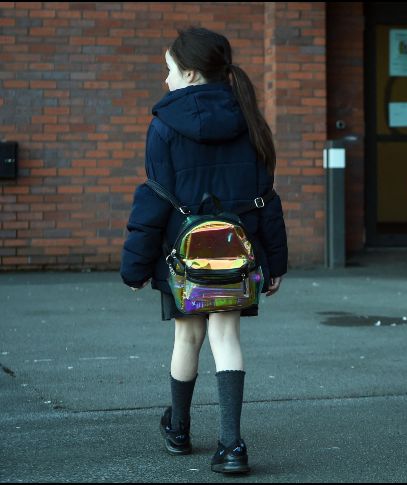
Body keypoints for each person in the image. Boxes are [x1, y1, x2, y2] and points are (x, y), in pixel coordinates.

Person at [120, 26, 288, 474]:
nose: (166, 79)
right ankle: (232, 446)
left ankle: (178, 428)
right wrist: (276, 262)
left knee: (187, 336)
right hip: (237, 255)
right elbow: (266, 200)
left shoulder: (163, 126)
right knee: (226, 338)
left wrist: (135, 266)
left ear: (191, 73)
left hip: (183, 258)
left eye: (170, 69)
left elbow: (154, 198)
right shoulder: (250, 118)